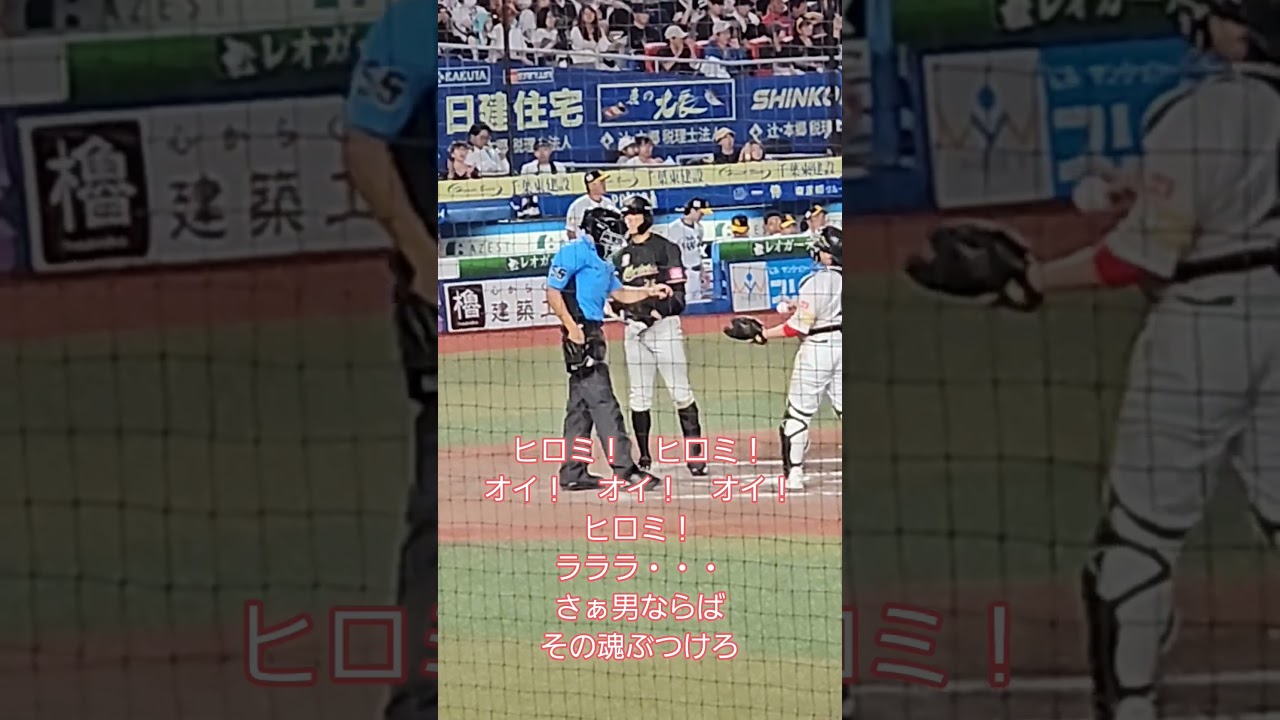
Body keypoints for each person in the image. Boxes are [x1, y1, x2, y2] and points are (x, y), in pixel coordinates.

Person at [900, 2, 1280, 717]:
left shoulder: (1205, 110)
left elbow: (1137, 256)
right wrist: (1146, 187)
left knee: (1139, 537)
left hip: (1204, 335)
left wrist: (1030, 282)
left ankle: (1128, 705)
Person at [341, 0, 440, 716]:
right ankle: (426, 701)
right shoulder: (417, 18)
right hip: (459, 303)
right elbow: (364, 143)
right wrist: (421, 256)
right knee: (447, 511)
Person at [546, 207, 669, 491]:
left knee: (580, 409)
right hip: (580, 331)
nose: (618, 237)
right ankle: (626, 471)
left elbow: (618, 292)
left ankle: (573, 472)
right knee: (604, 404)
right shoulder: (574, 252)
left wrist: (649, 291)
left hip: (593, 332)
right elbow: (553, 292)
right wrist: (572, 328)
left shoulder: (604, 260)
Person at [726, 226, 842, 490]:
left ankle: (794, 475)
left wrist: (763, 335)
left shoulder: (816, 281)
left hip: (817, 352)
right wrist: (798, 305)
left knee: (798, 414)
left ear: (828, 254)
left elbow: (797, 327)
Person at [612, 196, 708, 476]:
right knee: (638, 396)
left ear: (646, 217)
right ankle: (644, 457)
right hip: (634, 333)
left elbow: (678, 298)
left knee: (680, 391)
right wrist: (625, 316)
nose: (630, 220)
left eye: (635, 215)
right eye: (627, 215)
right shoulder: (620, 257)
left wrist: (652, 315)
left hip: (664, 329)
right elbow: (616, 298)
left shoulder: (666, 248)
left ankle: (696, 456)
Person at [667, 197, 714, 302]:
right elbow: (670, 254)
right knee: (686, 304)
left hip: (697, 272)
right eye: (700, 213)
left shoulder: (699, 228)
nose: (702, 216)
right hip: (684, 272)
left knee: (698, 304)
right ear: (692, 210)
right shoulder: (674, 228)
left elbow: (697, 252)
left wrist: (703, 271)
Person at [565, 170, 618, 240]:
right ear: (591, 186)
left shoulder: (609, 203)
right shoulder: (577, 205)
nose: (604, 184)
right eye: (601, 182)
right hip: (585, 244)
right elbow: (571, 231)